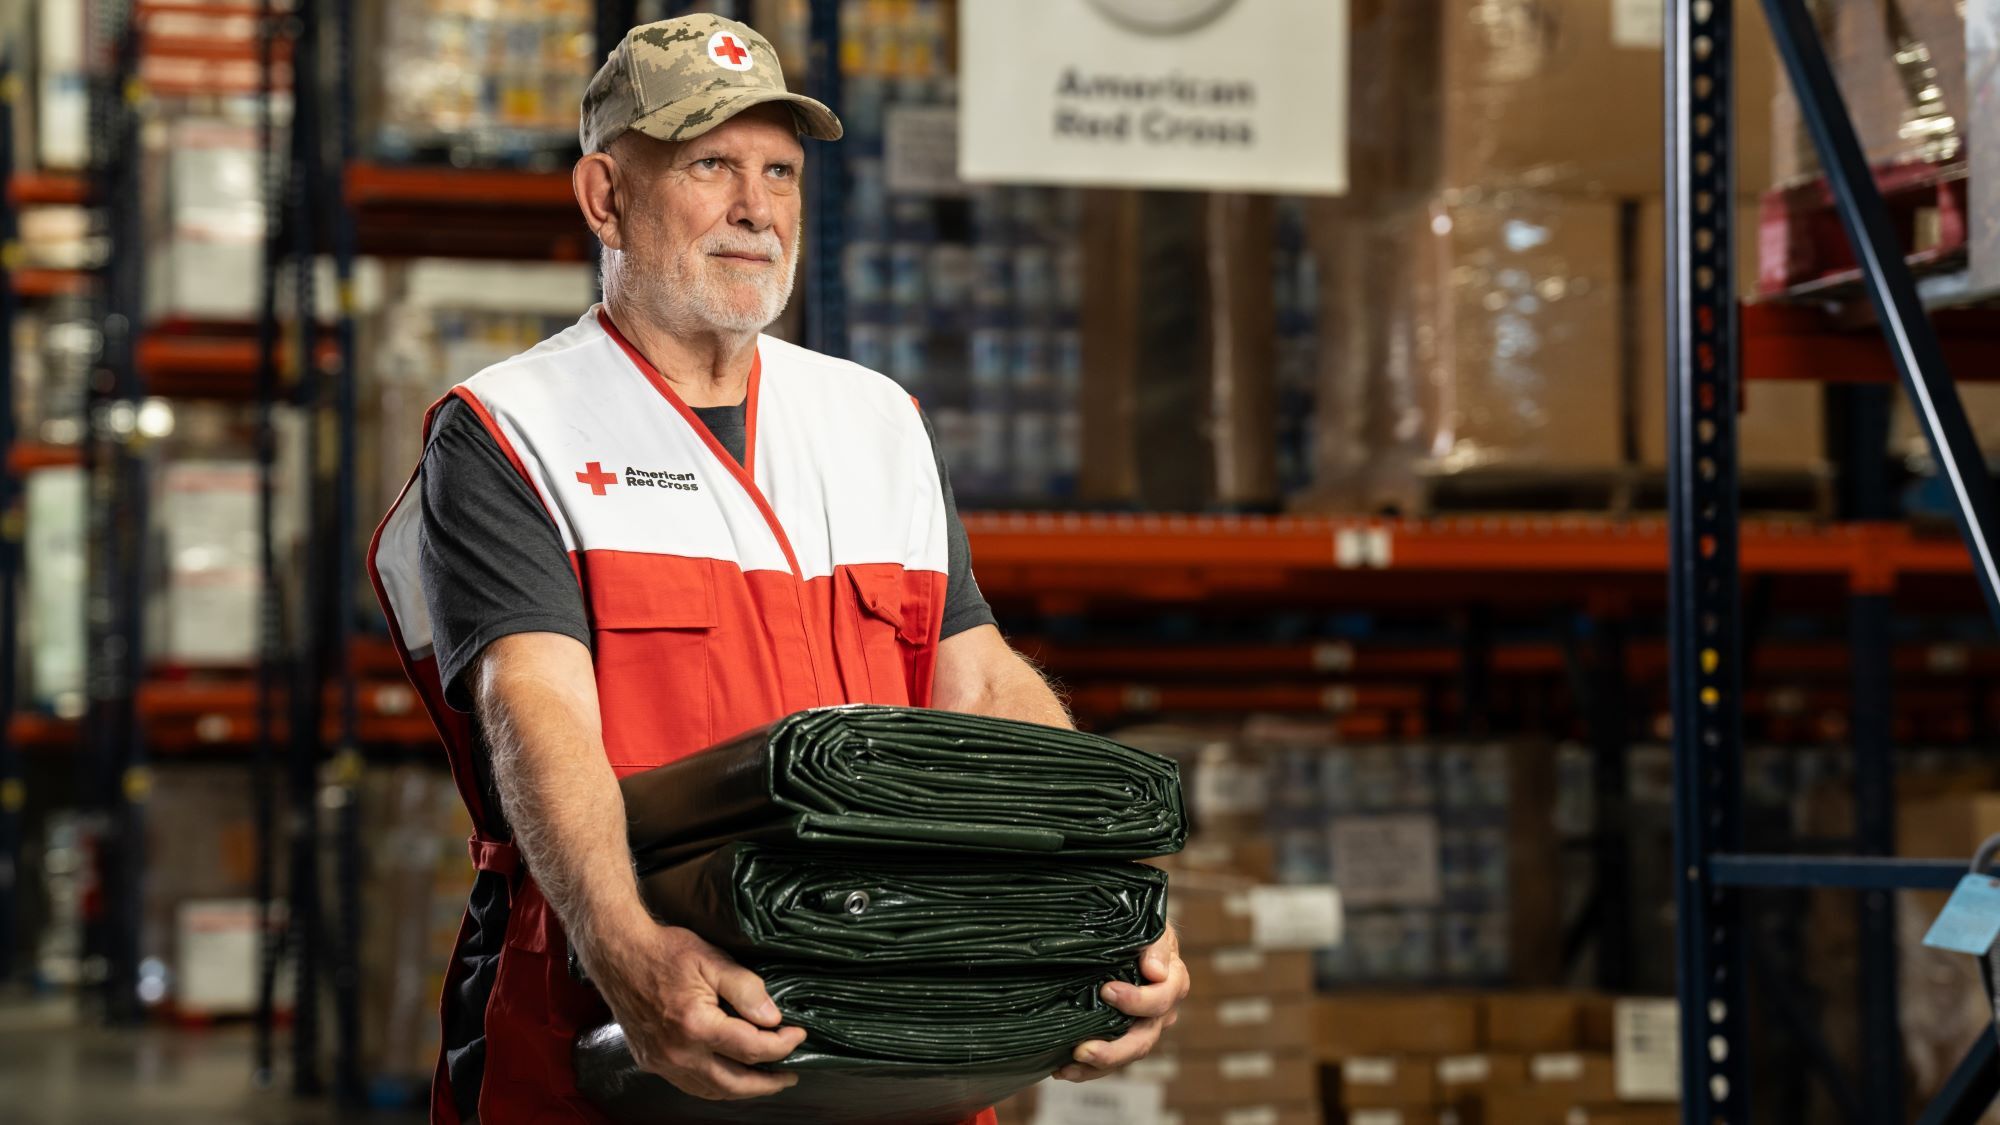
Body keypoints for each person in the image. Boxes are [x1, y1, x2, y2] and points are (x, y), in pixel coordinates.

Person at [368, 14, 1190, 1125]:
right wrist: (625, 954)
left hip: (888, 1020)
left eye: (779, 172)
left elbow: (980, 680)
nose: (755, 207)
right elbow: (535, 710)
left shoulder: (874, 420)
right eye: (710, 166)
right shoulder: (510, 429)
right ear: (604, 197)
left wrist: (1104, 906)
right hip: (629, 1024)